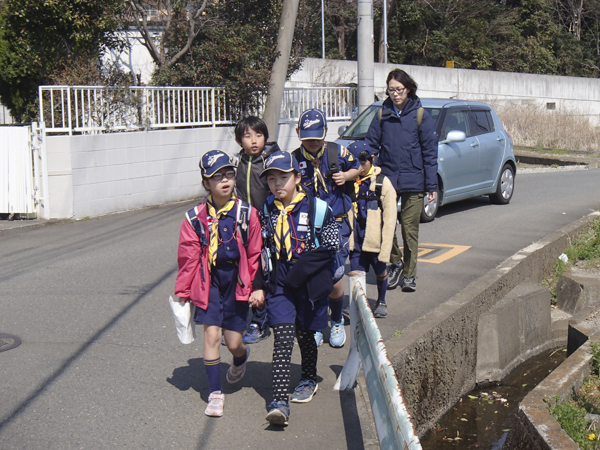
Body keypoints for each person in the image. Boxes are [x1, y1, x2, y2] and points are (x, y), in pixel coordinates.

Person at [174, 150, 263, 418]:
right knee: (212, 334)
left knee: (234, 341)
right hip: (208, 281)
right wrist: (183, 290)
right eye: (216, 177)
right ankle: (215, 392)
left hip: (238, 280)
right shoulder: (194, 218)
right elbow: (188, 258)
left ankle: (240, 359)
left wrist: (257, 287)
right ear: (205, 183)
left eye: (228, 174)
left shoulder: (247, 213)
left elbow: (255, 252)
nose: (224, 180)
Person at [258, 150, 340, 426]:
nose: (277, 184)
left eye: (283, 177)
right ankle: (279, 402)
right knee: (282, 336)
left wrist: (301, 271)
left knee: (306, 334)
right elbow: (261, 247)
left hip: (309, 281)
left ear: (297, 177)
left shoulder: (317, 207)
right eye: (271, 179)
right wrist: (259, 284)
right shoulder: (267, 208)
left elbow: (331, 245)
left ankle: (308, 377)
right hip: (279, 282)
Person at [365, 69, 438, 292]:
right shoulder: (382, 113)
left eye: (399, 90)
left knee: (409, 229)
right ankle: (395, 261)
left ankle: (410, 274)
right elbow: (370, 143)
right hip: (387, 179)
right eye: (391, 90)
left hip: (414, 178)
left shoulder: (420, 114)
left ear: (408, 89)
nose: (395, 94)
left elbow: (429, 151)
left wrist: (431, 185)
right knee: (386, 225)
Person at [292, 108, 360, 348]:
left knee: (333, 275)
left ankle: (337, 318)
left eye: (317, 137)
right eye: (307, 138)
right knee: (313, 276)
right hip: (308, 226)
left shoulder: (337, 152)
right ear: (298, 133)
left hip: (336, 223)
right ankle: (318, 324)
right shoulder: (294, 159)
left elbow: (358, 167)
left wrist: (347, 176)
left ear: (325, 133)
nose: (312, 142)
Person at [234, 116, 281, 345]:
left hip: (268, 225)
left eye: (259, 135)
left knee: (263, 272)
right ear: (239, 140)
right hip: (243, 225)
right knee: (245, 271)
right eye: (248, 136)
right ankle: (244, 318)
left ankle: (260, 321)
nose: (254, 140)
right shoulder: (235, 163)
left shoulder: (272, 161)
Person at [347, 141, 397, 318]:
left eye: (363, 163)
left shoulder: (383, 183)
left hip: (375, 236)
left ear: (372, 159)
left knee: (380, 269)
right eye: (355, 164)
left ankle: (381, 300)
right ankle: (361, 304)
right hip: (356, 236)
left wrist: (386, 248)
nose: (359, 168)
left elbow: (390, 218)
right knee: (356, 271)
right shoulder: (349, 182)